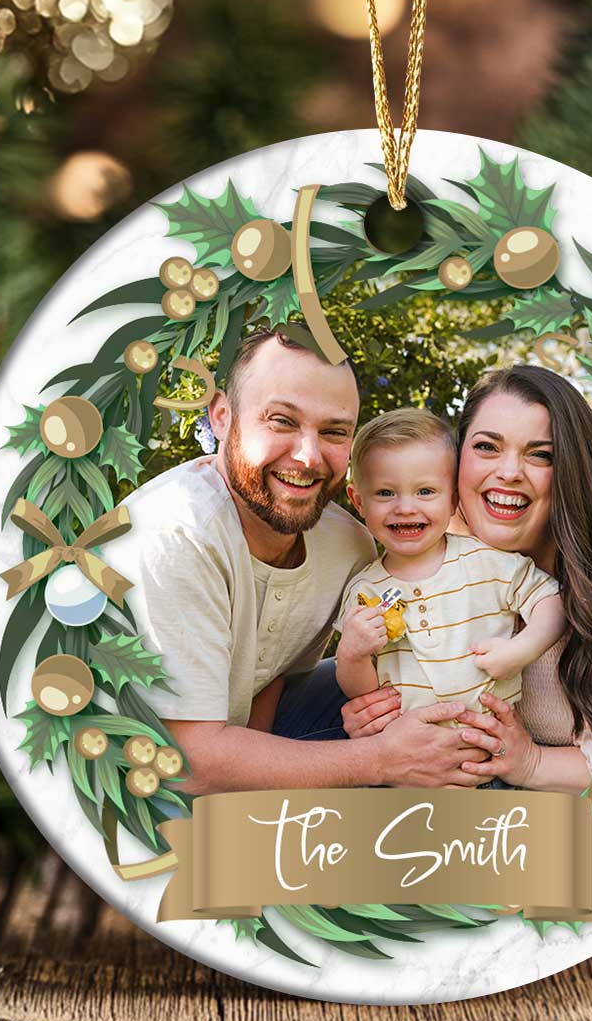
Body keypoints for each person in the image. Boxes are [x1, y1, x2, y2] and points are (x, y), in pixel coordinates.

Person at [104, 325, 502, 795]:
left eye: (334, 431)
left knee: (437, 693)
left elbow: (276, 674)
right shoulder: (177, 536)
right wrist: (380, 758)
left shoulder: (347, 545)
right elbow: (188, 762)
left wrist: (375, 716)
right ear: (222, 417)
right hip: (140, 781)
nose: (308, 457)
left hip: (240, 737)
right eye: (281, 421)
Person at [341, 365, 592, 794]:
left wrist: (532, 763)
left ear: (573, 468)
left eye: (541, 454)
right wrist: (367, 710)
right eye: (487, 447)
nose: (509, 472)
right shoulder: (435, 548)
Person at [335, 408, 566, 720]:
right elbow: (366, 694)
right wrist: (353, 655)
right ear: (359, 501)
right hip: (411, 750)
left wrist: (521, 650)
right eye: (385, 493)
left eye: (425, 491)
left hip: (491, 742)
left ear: (454, 500)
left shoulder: (486, 562)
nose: (405, 508)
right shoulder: (364, 591)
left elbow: (551, 601)